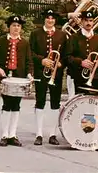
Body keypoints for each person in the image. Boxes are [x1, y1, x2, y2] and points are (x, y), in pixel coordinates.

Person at [0, 15, 34, 147]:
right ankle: (4, 134)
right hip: (6, 77)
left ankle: (12, 135)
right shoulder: (1, 41)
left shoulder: (25, 43)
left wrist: (30, 74)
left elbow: (29, 61)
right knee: (6, 105)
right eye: (14, 25)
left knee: (16, 105)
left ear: (21, 28)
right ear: (9, 27)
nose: (16, 28)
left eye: (18, 26)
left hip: (19, 78)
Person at [30, 8, 67, 146]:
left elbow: (66, 54)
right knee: (40, 101)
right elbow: (31, 52)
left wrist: (60, 63)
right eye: (48, 18)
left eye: (52, 18)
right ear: (44, 19)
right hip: (41, 72)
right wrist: (42, 60)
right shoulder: (35, 34)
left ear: (55, 20)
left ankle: (53, 134)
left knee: (55, 103)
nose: (50, 20)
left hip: (56, 74)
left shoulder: (62, 35)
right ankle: (39, 134)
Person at [57, 0, 87, 97]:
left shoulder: (88, 7)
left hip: (83, 41)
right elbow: (57, 16)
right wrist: (70, 15)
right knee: (71, 68)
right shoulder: (65, 5)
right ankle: (71, 97)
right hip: (69, 41)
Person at [67, 10, 98, 94]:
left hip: (94, 76)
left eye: (90, 20)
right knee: (79, 103)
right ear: (81, 22)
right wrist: (81, 62)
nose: (88, 23)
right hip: (78, 76)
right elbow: (67, 57)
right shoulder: (74, 37)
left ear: (93, 22)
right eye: (86, 20)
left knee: (93, 102)